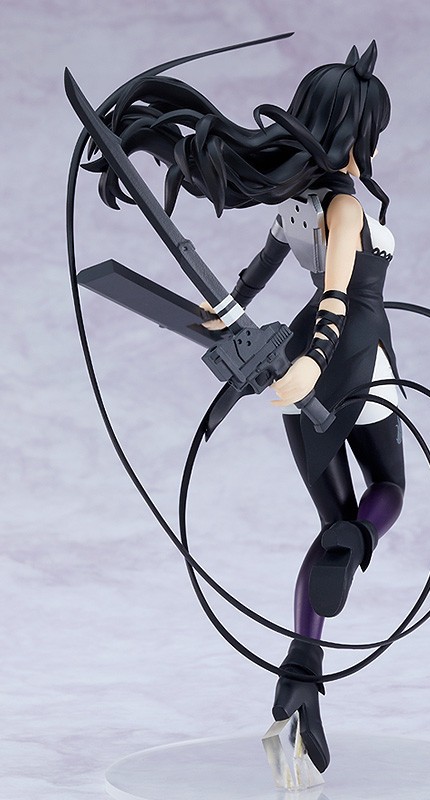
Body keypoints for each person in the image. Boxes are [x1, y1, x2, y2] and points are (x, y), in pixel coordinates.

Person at [89, 40, 405, 772]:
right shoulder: (345, 205)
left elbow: (257, 275)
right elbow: (338, 297)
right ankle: (358, 541)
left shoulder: (293, 204)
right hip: (356, 359)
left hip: (294, 358)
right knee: (388, 488)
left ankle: (300, 675)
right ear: (353, 136)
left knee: (329, 517)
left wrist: (230, 312)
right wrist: (313, 361)